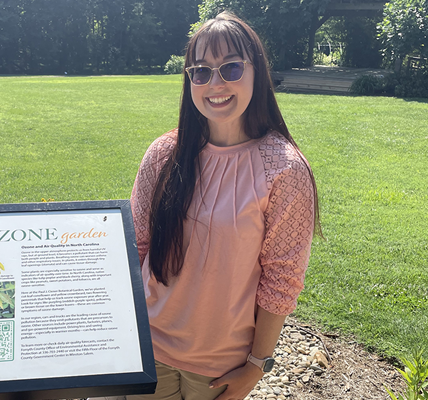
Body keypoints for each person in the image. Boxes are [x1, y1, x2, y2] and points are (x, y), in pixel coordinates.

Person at [128, 11, 320, 400]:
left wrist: (257, 364)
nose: (215, 84)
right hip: (148, 350)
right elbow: (136, 247)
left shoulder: (284, 169)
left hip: (219, 368)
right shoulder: (163, 154)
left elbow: (281, 280)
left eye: (230, 68)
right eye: (200, 72)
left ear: (257, 72)